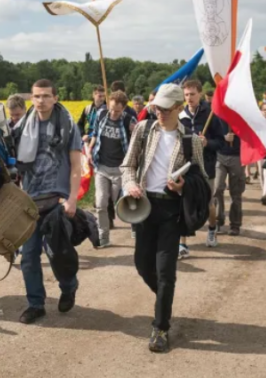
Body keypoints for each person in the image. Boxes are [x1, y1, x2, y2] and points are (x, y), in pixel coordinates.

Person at [120, 84, 205, 353]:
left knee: (166, 271)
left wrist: (183, 186)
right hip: (144, 208)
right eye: (157, 107)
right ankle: (164, 300)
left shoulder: (190, 140)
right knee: (143, 265)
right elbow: (128, 165)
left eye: (167, 109)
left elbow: (201, 179)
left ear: (180, 108)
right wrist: (130, 184)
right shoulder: (144, 129)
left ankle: (160, 328)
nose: (160, 113)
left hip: (171, 211)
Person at [13, 79, 83, 324]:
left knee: (58, 253)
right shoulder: (21, 127)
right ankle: (35, 304)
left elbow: (76, 166)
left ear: (55, 97)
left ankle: (68, 286)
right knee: (29, 257)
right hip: (30, 200)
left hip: (57, 200)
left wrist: (72, 198)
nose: (40, 101)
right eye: (36, 96)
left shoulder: (68, 125)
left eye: (45, 96)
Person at [86, 90, 133, 247]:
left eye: (117, 110)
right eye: (111, 108)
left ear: (123, 109)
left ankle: (136, 226)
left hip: (120, 169)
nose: (113, 113)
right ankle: (103, 236)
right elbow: (95, 133)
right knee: (100, 202)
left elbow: (135, 142)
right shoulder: (101, 115)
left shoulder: (128, 120)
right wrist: (90, 150)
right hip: (102, 167)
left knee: (118, 202)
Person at [179, 79, 221, 253]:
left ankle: (212, 229)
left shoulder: (210, 114)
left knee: (208, 203)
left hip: (206, 165)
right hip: (186, 166)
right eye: (187, 95)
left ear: (200, 94)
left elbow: (220, 142)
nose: (189, 98)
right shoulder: (180, 115)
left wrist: (207, 143)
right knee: (183, 203)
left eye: (193, 94)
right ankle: (182, 242)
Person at [211, 110, 245, 236]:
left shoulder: (242, 114)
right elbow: (211, 135)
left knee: (236, 193)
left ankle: (235, 225)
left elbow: (249, 134)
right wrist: (223, 138)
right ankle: (218, 221)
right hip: (220, 156)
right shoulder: (215, 114)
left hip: (237, 157)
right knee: (217, 189)